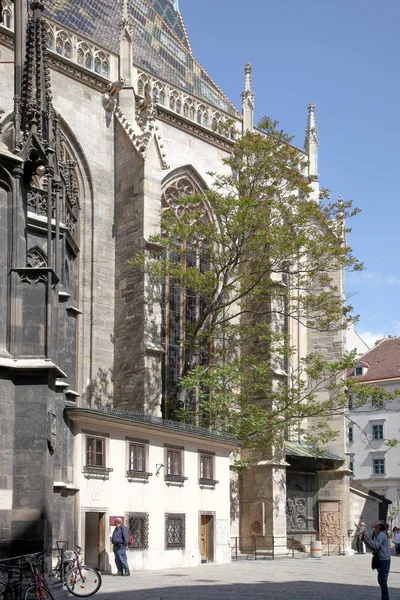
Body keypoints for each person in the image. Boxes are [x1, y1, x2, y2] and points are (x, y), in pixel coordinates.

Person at [362, 521, 391, 600]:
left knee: (382, 580)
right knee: (381, 580)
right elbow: (373, 547)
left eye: (377, 522)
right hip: (380, 559)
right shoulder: (377, 534)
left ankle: (385, 598)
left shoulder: (381, 534)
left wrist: (368, 538)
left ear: (379, 526)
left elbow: (376, 545)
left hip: (384, 559)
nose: (375, 522)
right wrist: (365, 541)